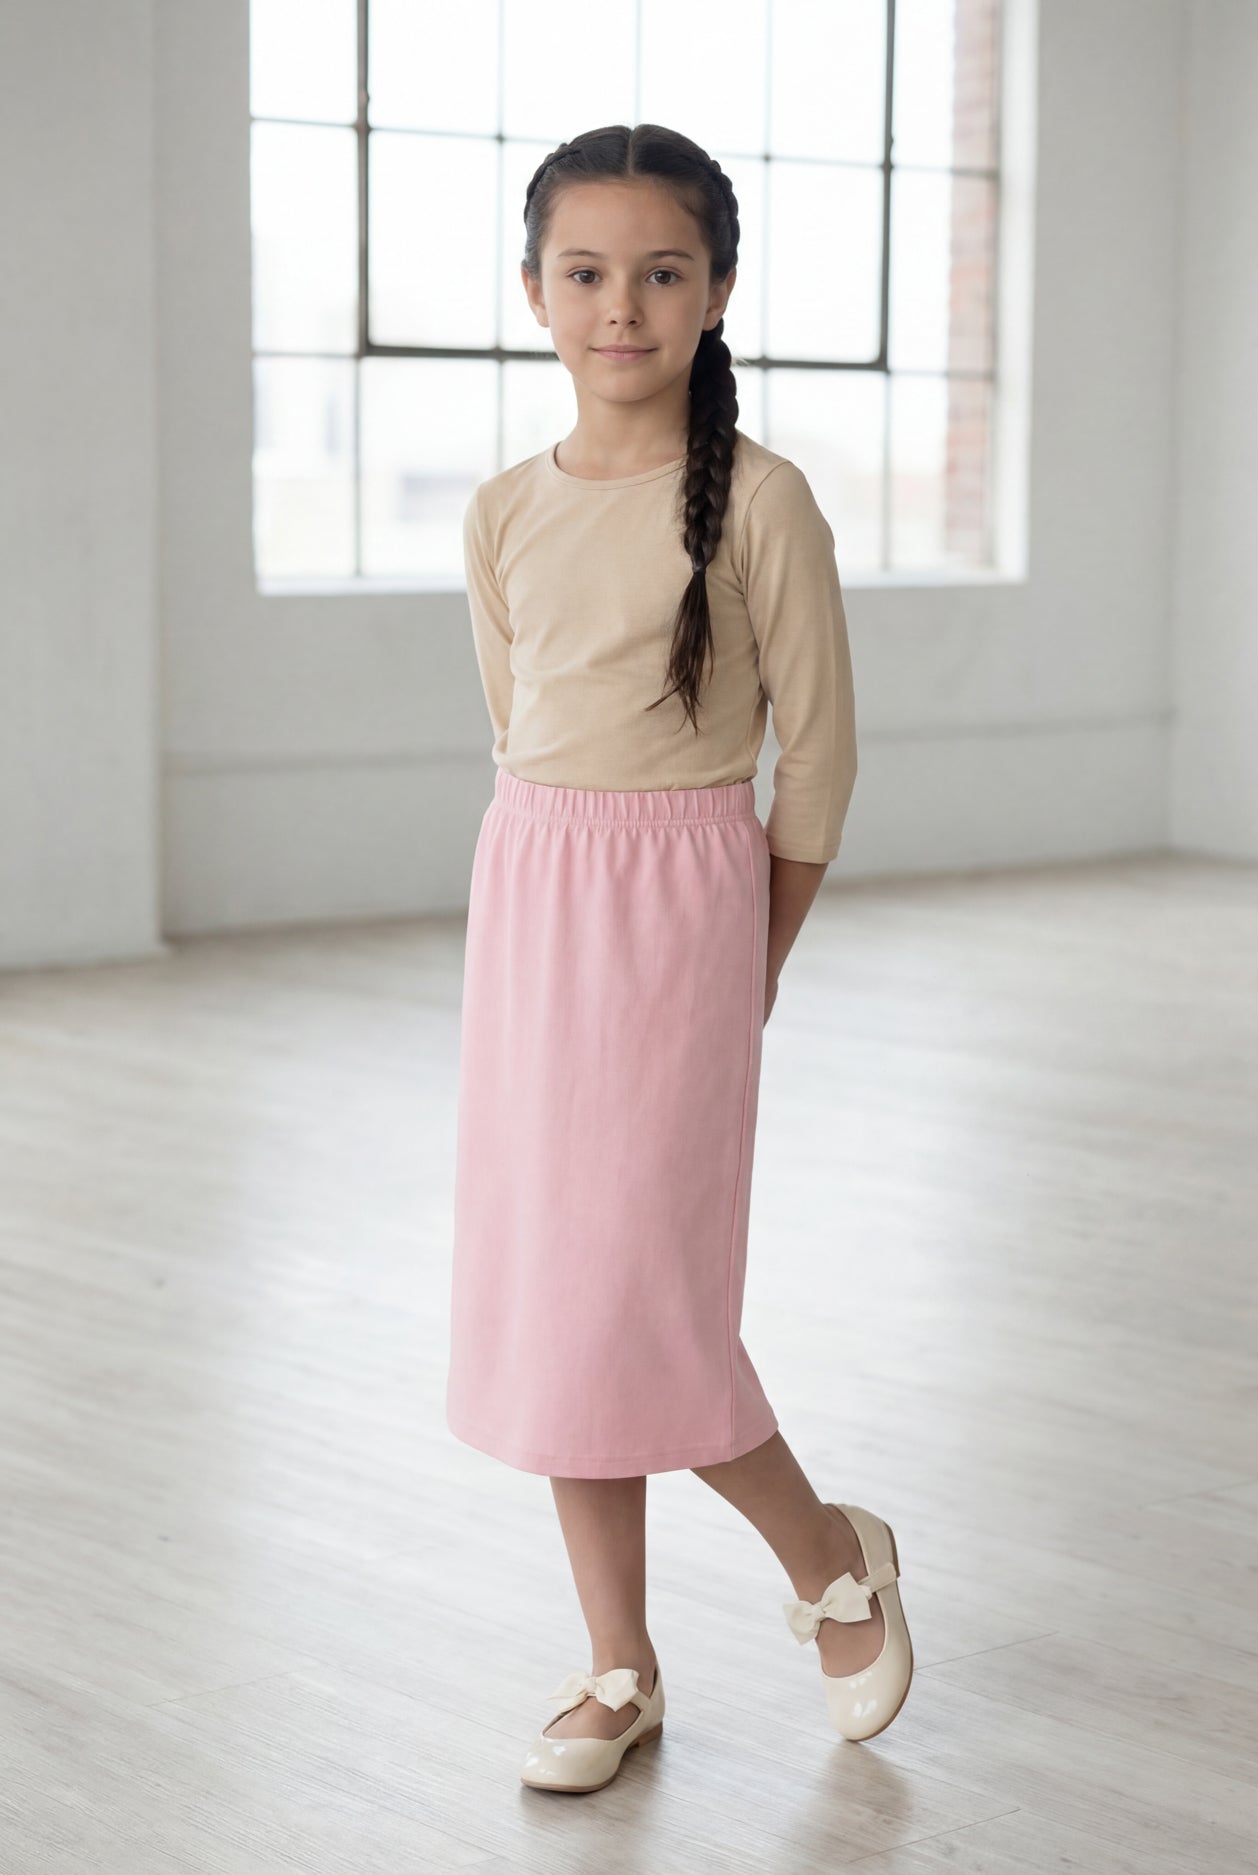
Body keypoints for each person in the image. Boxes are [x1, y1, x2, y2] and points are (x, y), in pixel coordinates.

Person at [446, 122, 912, 1795]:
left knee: (642, 1284)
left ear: (718, 291)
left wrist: (751, 957)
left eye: (659, 272)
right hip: (535, 904)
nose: (619, 307)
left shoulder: (763, 503)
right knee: (559, 1297)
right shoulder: (503, 513)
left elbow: (821, 763)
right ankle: (615, 1668)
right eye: (583, 273)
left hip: (686, 908)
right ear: (532, 292)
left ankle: (823, 1555)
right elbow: (522, 738)